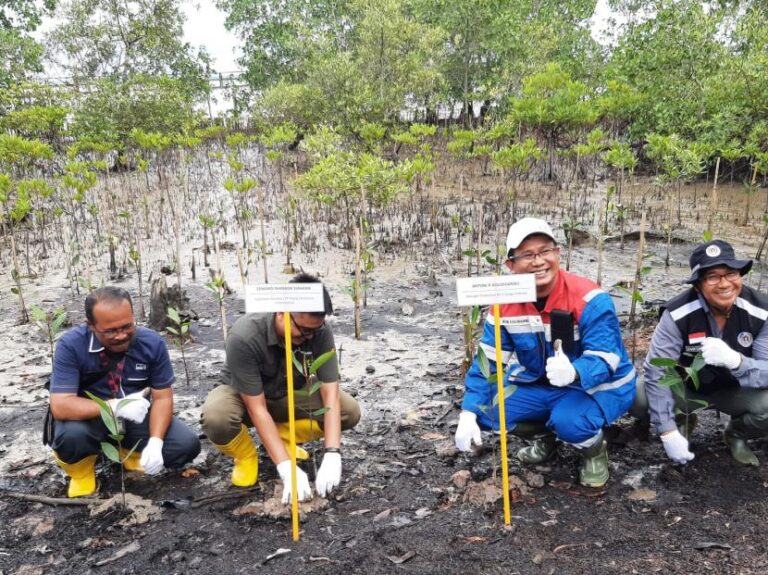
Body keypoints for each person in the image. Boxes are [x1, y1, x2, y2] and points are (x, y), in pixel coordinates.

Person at [454, 218, 636, 487]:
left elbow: (606, 358)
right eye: (527, 255)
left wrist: (575, 371)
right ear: (510, 265)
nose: (538, 261)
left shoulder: (590, 299)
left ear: (558, 254)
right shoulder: (503, 304)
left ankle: (594, 450)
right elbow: (488, 363)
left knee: (570, 422)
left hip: (596, 387)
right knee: (486, 409)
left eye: (545, 251)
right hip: (541, 382)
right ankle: (544, 438)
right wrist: (468, 413)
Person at [201, 273, 360, 503]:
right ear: (281, 314)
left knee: (349, 410)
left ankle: (283, 439)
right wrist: (287, 468)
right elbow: (257, 409)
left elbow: (330, 394)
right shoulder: (244, 336)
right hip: (243, 395)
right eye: (304, 331)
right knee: (217, 417)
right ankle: (246, 455)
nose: (310, 337)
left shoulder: (317, 331)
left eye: (315, 330)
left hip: (289, 393)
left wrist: (333, 452)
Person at [49, 286, 201, 498]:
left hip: (136, 417)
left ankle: (128, 453)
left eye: (127, 326)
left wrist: (155, 443)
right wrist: (116, 406)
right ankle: (81, 473)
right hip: (90, 420)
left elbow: (163, 398)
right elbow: (61, 406)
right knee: (72, 438)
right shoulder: (71, 345)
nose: (121, 336)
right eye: (111, 331)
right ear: (91, 326)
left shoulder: (152, 343)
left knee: (185, 446)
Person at [642, 239, 768, 466]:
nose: (724, 284)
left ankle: (737, 434)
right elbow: (657, 370)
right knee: (637, 397)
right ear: (698, 285)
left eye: (731, 274)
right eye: (712, 277)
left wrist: (737, 362)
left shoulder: (761, 311)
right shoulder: (677, 313)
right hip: (685, 387)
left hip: (735, 389)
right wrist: (667, 431)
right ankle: (681, 419)